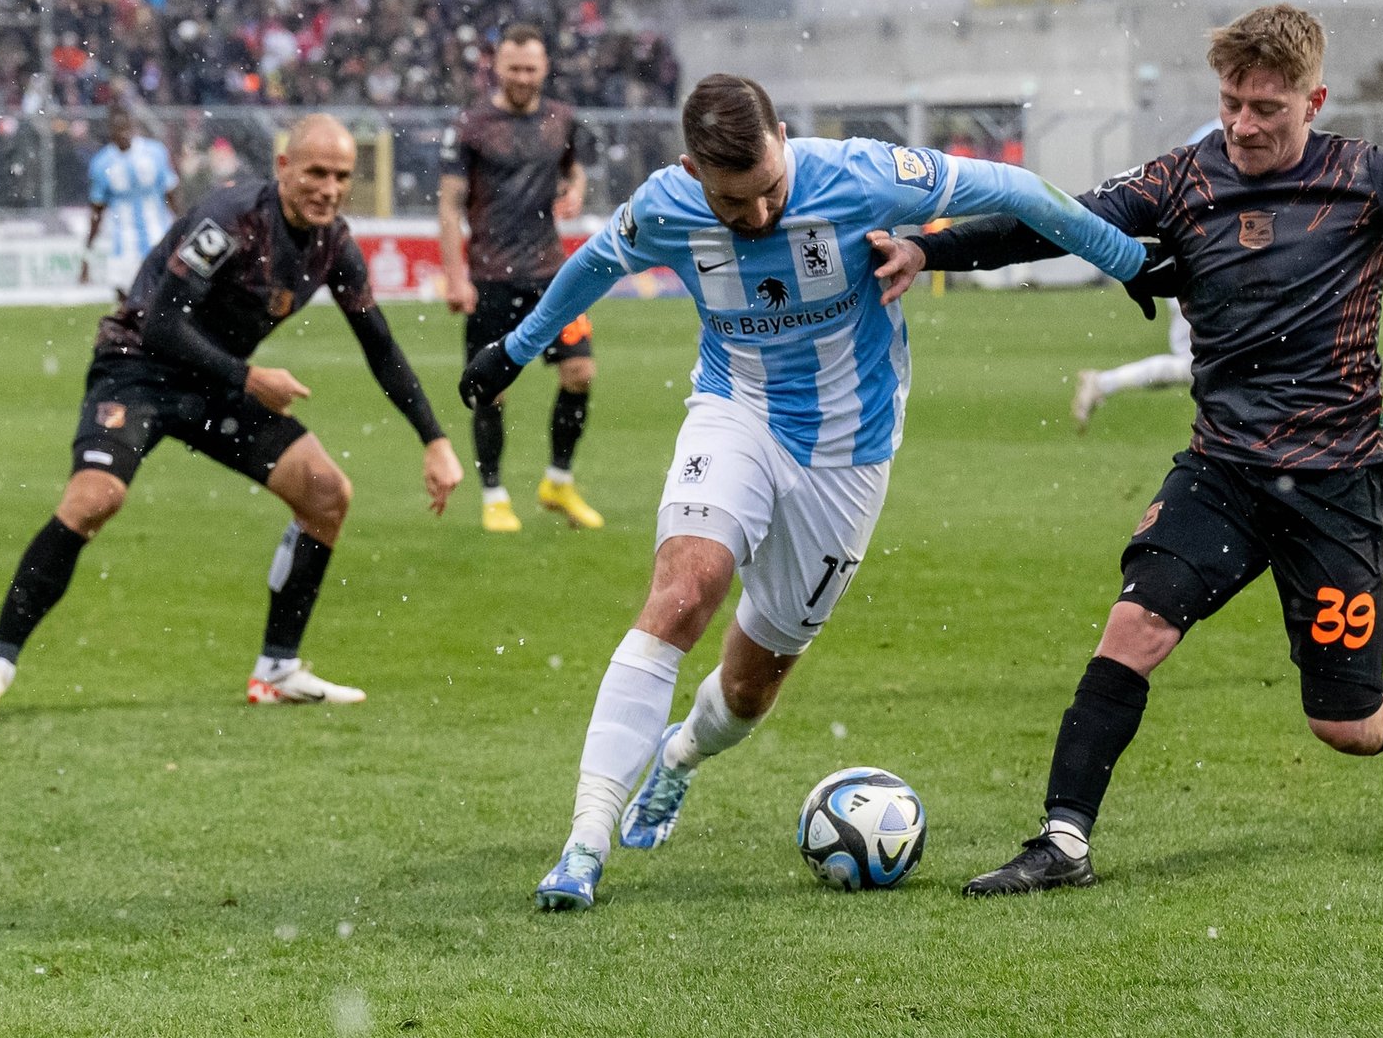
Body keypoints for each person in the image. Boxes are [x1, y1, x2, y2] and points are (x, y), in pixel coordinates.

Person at [868, 3, 1383, 895]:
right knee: (1133, 629)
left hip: (1338, 483)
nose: (1243, 125)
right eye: (1230, 104)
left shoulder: (1371, 177)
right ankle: (1064, 842)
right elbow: (1054, 222)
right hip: (1222, 471)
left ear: (1313, 101)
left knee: (1347, 722)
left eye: (1265, 109)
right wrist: (926, 249)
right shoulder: (1182, 180)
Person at [457, 74, 1148, 912]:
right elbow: (596, 261)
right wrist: (516, 350)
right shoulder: (667, 203)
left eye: (769, 191)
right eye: (731, 202)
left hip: (847, 455)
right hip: (734, 411)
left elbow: (1015, 188)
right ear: (691, 172)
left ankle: (680, 757)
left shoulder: (859, 173)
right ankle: (584, 845)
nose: (756, 216)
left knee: (748, 690)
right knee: (682, 596)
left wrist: (1127, 261)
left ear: (784, 138)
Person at [0, 115, 465, 716]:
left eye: (341, 176)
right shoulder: (230, 222)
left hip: (215, 382)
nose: (328, 188)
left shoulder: (335, 246)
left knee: (327, 494)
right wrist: (250, 377)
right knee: (95, 498)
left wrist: (434, 438)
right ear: (283, 168)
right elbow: (163, 324)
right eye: (316, 172)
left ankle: (278, 670)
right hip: (138, 367)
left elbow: (379, 344)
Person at [439, 23, 602, 534]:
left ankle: (558, 481)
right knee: (491, 390)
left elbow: (576, 170)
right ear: (497, 67)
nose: (523, 78)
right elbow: (449, 206)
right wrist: (454, 277)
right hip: (490, 276)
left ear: (545, 67)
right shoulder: (471, 125)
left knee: (580, 373)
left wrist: (575, 190)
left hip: (553, 276)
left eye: (532, 69)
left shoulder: (562, 120)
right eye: (514, 68)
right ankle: (494, 494)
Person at [1069, 122, 1216, 432]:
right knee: (1202, 367)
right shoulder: (1224, 142)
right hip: (1198, 274)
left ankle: (1102, 383)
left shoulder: (1214, 135)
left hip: (1196, 270)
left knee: (1202, 367)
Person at [81, 105, 179, 291]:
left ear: (132, 126)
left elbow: (172, 195)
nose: (123, 133)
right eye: (117, 128)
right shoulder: (102, 164)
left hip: (157, 235)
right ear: (110, 130)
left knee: (159, 297)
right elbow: (96, 213)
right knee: (125, 303)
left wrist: (182, 230)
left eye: (125, 126)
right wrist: (87, 257)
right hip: (122, 242)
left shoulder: (155, 153)